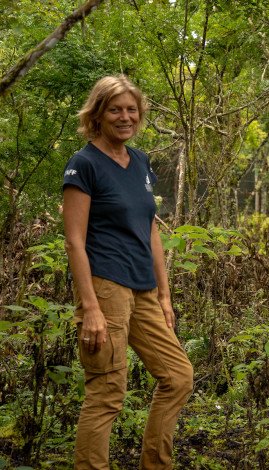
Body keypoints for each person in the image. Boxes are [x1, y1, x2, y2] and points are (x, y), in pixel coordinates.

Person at [63, 75, 193, 469]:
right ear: (98, 114)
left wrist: (164, 295)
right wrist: (91, 308)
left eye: (131, 109)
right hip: (104, 287)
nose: (125, 117)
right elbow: (74, 241)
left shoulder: (139, 161)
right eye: (115, 109)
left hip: (143, 290)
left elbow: (150, 227)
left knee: (178, 376)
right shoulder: (84, 164)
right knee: (106, 391)